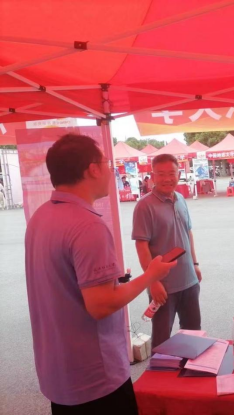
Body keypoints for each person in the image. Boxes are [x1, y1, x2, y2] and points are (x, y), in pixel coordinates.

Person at [25, 134, 175, 414]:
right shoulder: (88, 226)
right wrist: (151, 275)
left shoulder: (41, 216)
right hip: (95, 376)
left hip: (59, 372)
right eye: (107, 163)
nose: (110, 171)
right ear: (93, 169)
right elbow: (101, 304)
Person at [132, 154, 203, 348]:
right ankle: (159, 369)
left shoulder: (180, 199)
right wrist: (152, 281)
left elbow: (188, 232)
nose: (167, 179)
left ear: (179, 174)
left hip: (189, 281)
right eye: (161, 174)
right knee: (162, 340)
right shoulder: (144, 206)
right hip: (163, 287)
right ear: (152, 176)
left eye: (171, 173)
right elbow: (141, 245)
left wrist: (195, 264)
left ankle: (189, 368)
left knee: (193, 335)